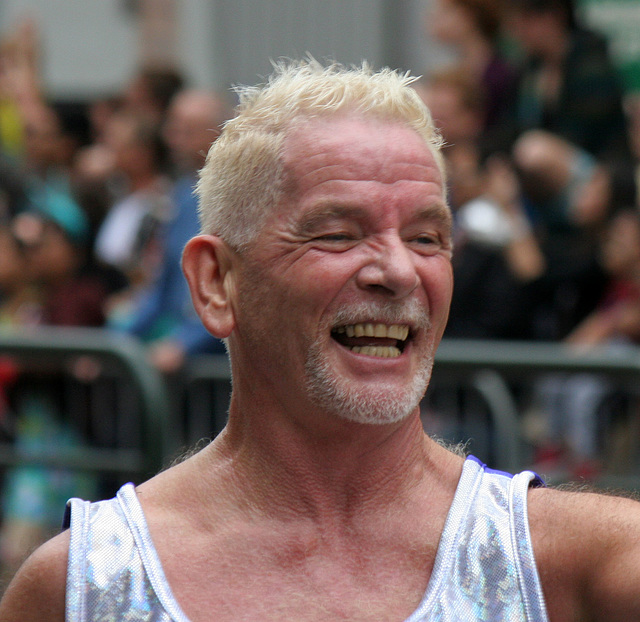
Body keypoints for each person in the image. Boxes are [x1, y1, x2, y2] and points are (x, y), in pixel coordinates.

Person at [2, 58, 640, 621]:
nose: (397, 271)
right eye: (337, 233)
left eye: (426, 238)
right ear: (217, 283)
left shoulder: (586, 571)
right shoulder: (80, 588)